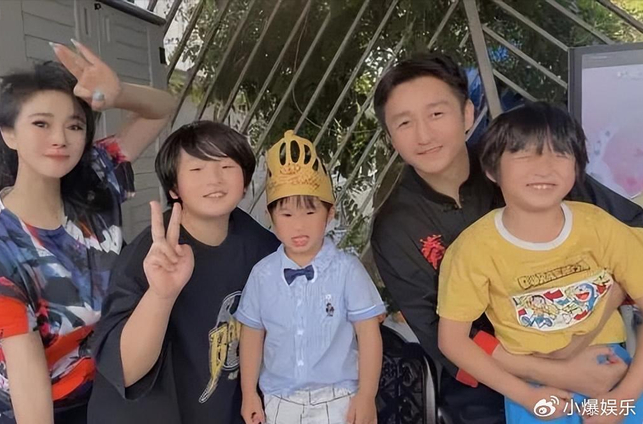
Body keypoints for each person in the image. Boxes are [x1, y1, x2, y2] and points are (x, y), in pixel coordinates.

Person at [370, 53, 643, 424]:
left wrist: (591, 325)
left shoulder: (527, 164)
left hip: (594, 347)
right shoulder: (395, 228)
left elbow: (631, 235)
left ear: (468, 114)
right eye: (405, 122)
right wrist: (555, 371)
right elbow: (442, 337)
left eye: (436, 114)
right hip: (489, 377)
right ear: (390, 138)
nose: (424, 135)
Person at [0, 40, 176, 424]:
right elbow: (29, 383)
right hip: (31, 404)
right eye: (41, 123)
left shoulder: (96, 177)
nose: (59, 138)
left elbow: (162, 109)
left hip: (102, 388)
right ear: (9, 133)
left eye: (74, 125)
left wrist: (119, 94)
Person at [437, 102, 643, 423]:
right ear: (492, 169)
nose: (545, 167)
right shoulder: (473, 250)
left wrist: (624, 397)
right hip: (532, 388)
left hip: (611, 371)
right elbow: (452, 341)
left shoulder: (600, 227)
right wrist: (526, 396)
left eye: (560, 153)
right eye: (524, 154)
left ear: (577, 166)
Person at [87, 121, 280, 424]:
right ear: (174, 188)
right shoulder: (152, 255)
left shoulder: (262, 247)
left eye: (226, 166)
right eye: (197, 169)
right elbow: (125, 370)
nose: (214, 179)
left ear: (244, 182)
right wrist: (161, 295)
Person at [236, 131, 385, 424]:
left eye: (309, 212)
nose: (299, 226)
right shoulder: (262, 274)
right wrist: (249, 393)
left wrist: (367, 395)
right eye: (287, 215)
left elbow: (369, 334)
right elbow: (252, 334)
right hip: (279, 399)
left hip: (340, 398)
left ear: (329, 213)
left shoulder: (348, 271)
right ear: (270, 217)